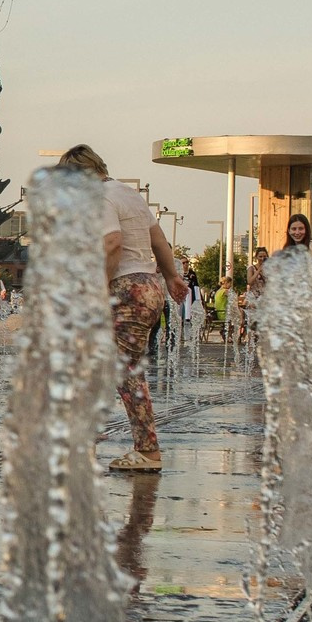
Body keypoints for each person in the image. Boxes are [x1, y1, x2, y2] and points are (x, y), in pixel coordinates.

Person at [59, 147, 190, 474]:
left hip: (125, 288)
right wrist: (172, 276)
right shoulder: (128, 194)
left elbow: (113, 242)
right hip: (148, 285)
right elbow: (159, 239)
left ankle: (145, 450)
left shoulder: (100, 198)